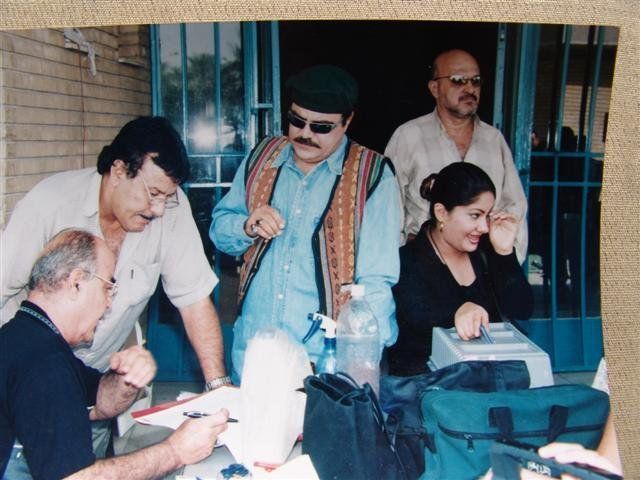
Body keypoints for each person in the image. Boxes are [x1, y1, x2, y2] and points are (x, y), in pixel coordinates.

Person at [1, 116, 230, 393]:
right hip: (27, 375)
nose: (159, 209)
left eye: (166, 197)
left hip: (101, 379)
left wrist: (218, 387)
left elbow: (194, 301)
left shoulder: (172, 207)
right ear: (119, 171)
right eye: (153, 193)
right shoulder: (50, 205)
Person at [210, 64, 401, 381]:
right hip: (253, 351)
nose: (305, 134)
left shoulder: (373, 175)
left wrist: (362, 363)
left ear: (347, 121)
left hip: (323, 361)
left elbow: (376, 282)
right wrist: (246, 226)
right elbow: (219, 230)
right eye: (297, 121)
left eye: (321, 127)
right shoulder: (262, 157)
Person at [0, 230, 229, 480]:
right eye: (108, 287)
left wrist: (125, 379)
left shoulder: (28, 336)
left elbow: (99, 405)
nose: (109, 303)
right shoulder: (43, 362)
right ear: (76, 283)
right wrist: (175, 451)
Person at [387, 162, 533, 376]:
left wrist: (504, 253)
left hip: (488, 378)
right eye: (475, 215)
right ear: (441, 213)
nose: (484, 227)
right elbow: (418, 319)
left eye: (487, 215)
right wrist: (457, 311)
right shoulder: (407, 261)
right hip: (429, 386)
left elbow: (522, 309)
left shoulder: (486, 250)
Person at [385, 49, 528, 262]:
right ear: (435, 88)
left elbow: (514, 205)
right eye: (458, 80)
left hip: (485, 262)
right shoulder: (409, 136)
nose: (470, 88)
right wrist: (401, 263)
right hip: (425, 260)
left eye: (476, 81)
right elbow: (389, 208)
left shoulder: (493, 140)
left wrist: (506, 261)